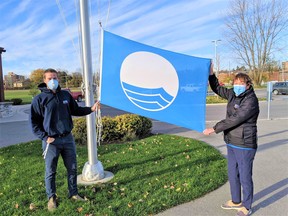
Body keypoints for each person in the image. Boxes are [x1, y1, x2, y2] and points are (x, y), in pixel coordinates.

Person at [30, 68, 99, 212]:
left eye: (55, 77)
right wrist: (44, 137)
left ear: (58, 79)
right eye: (49, 78)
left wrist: (91, 109)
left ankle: (73, 193)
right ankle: (51, 197)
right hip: (51, 142)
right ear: (44, 81)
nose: (53, 80)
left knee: (72, 168)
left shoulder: (65, 95)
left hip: (67, 139)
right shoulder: (39, 99)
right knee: (50, 171)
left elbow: (76, 110)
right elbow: (34, 123)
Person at [203, 64, 259, 216]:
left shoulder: (251, 101)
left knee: (245, 176)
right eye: (235, 83)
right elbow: (217, 89)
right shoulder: (233, 94)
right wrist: (211, 74)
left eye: (241, 84)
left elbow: (235, 119)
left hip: (245, 144)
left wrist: (214, 128)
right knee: (233, 173)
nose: (237, 86)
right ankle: (236, 201)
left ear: (248, 85)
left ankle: (247, 206)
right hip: (231, 141)